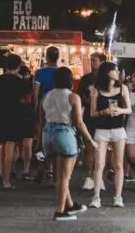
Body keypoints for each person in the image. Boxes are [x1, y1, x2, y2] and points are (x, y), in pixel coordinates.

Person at [41, 65, 95, 221]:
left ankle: (70, 204)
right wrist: (90, 139)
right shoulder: (73, 97)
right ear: (70, 80)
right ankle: (60, 211)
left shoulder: (47, 96)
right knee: (65, 177)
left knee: (58, 175)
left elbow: (41, 117)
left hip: (48, 133)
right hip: (64, 133)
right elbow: (78, 122)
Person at [90, 60, 129, 208]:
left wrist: (121, 110)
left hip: (118, 128)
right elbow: (93, 113)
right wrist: (104, 112)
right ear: (107, 72)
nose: (118, 72)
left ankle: (118, 196)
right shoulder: (96, 90)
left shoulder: (123, 88)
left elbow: (129, 109)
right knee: (99, 164)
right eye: (115, 70)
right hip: (102, 129)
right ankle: (96, 196)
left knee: (118, 164)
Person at [0, 53, 33, 189]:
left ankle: (2, 174)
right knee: (10, 148)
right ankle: (6, 180)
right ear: (19, 66)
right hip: (14, 117)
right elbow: (25, 100)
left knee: (3, 146)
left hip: (0, 116)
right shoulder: (20, 82)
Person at [32, 46, 62, 184]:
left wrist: (36, 106)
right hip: (59, 108)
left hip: (44, 108)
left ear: (47, 57)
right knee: (56, 137)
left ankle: (41, 165)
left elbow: (36, 92)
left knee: (41, 138)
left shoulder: (40, 73)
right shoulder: (62, 72)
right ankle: (53, 170)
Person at [79, 50, 107, 192]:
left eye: (94, 61)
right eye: (90, 60)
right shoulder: (85, 79)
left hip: (103, 117)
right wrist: (89, 101)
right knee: (89, 147)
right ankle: (89, 177)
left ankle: (99, 177)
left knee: (101, 148)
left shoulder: (108, 78)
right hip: (89, 117)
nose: (91, 63)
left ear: (102, 62)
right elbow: (79, 98)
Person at [18, 65, 35, 180]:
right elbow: (30, 100)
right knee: (28, 143)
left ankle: (13, 170)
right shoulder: (30, 86)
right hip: (29, 116)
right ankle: (26, 169)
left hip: (17, 116)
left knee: (16, 143)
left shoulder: (16, 86)